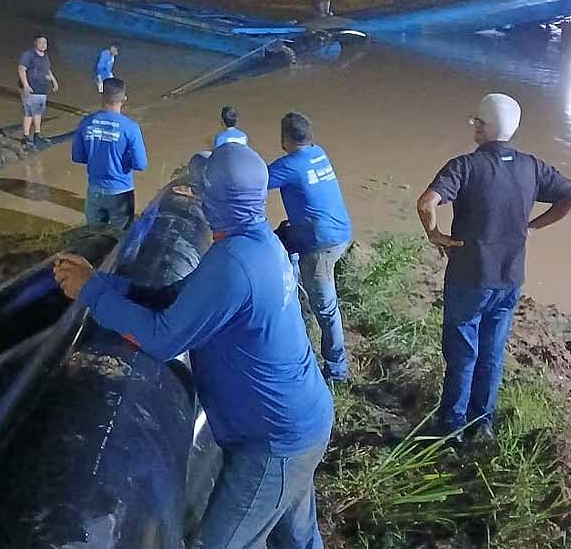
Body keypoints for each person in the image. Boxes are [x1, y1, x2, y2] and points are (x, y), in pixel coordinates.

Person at [53, 143, 333, 549]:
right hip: (300, 423)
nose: (198, 196)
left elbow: (163, 339)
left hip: (272, 443)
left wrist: (94, 296)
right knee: (296, 534)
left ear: (219, 202)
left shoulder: (233, 264)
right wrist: (102, 282)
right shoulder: (255, 243)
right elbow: (174, 297)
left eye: (204, 190)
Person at [416, 93, 571, 440]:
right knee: (492, 353)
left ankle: (450, 428)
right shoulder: (531, 166)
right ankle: (483, 425)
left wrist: (435, 234)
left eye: (476, 122)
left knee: (463, 354)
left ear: (483, 127)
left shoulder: (464, 166)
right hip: (509, 279)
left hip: (469, 277)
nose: (474, 127)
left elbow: (426, 203)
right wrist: (533, 226)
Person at [268, 112, 353, 383]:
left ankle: (337, 370)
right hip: (339, 231)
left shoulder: (289, 165)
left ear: (284, 138)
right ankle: (296, 297)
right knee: (283, 237)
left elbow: (253, 182)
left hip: (321, 245)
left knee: (327, 309)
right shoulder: (319, 153)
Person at [71, 78, 147, 230]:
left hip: (94, 189)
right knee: (120, 238)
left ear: (102, 96)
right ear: (124, 99)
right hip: (121, 190)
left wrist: (96, 158)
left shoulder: (86, 122)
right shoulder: (130, 128)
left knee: (94, 235)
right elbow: (141, 164)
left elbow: (77, 156)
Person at [17, 34, 60, 148]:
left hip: (42, 89)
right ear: (35, 43)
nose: (43, 45)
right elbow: (21, 69)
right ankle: (25, 137)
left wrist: (54, 81)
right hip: (31, 88)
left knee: (38, 112)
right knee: (29, 112)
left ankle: (37, 135)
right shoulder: (29, 55)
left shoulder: (45, 56)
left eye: (45, 43)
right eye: (40, 42)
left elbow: (47, 70)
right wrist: (26, 85)